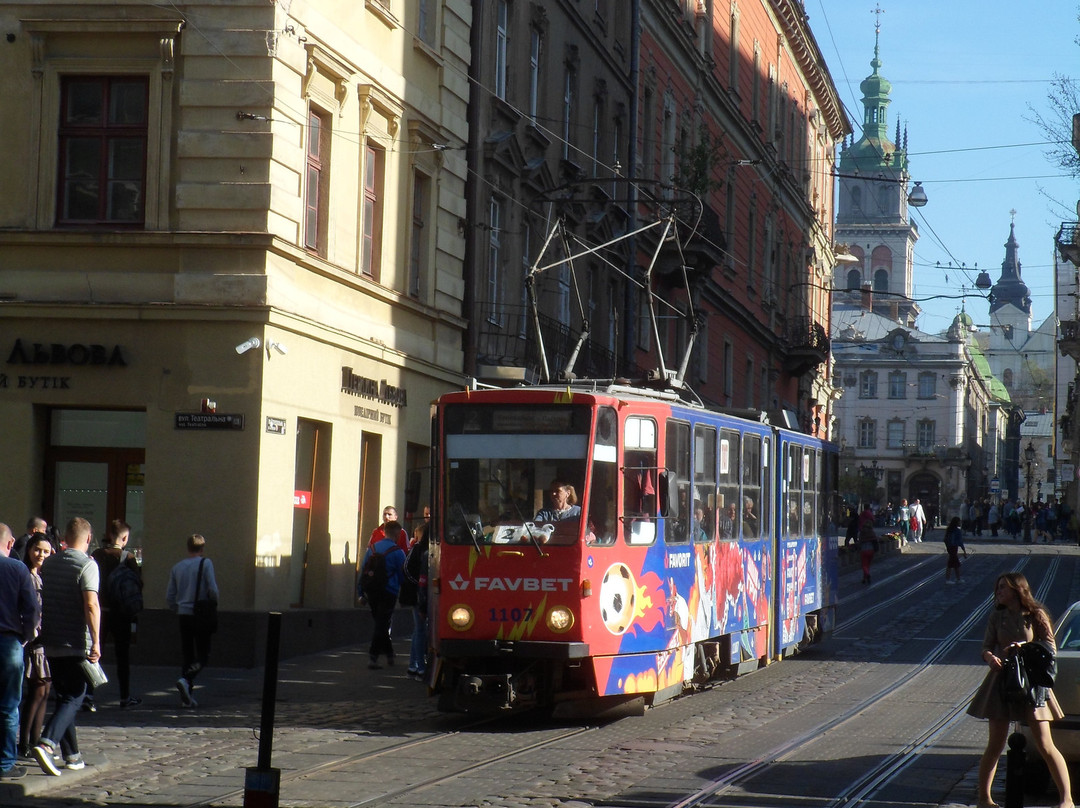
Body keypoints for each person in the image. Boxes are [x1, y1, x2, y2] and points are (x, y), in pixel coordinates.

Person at [967, 572, 1073, 808]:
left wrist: (1024, 646)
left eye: (1003, 587)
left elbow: (1050, 647)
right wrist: (990, 657)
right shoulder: (997, 616)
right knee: (995, 744)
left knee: (1045, 744)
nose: (999, 592)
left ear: (1018, 589)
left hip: (1031, 681)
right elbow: (985, 646)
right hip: (1003, 679)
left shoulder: (1036, 615)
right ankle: (984, 799)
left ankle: (1066, 799)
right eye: (998, 588)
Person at [32, 517, 100, 776]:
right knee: (76, 695)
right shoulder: (87, 565)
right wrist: (96, 640)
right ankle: (47, 743)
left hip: (52, 640)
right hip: (76, 641)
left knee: (64, 697)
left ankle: (73, 756)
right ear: (88, 538)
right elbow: (91, 605)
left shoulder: (49, 564)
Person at [0, 523, 39, 780]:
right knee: (8, 705)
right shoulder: (17, 569)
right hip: (8, 642)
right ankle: (4, 763)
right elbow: (32, 610)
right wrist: (25, 636)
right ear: (11, 543)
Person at [91, 519, 142, 708]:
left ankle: (88, 695)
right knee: (123, 656)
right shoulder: (128, 558)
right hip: (121, 613)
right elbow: (137, 584)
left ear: (110, 535)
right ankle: (124, 696)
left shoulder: (97, 554)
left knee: (95, 653)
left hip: (100, 611)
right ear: (125, 537)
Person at [166, 534, 219, 708]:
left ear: (188, 547)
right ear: (202, 548)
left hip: (183, 615)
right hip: (201, 614)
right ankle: (186, 679)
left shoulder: (177, 567)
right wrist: (212, 604)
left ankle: (186, 697)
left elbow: (170, 596)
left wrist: (178, 608)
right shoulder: (206, 563)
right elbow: (213, 589)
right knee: (203, 655)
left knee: (187, 655)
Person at [18, 533, 52, 761]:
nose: (41, 555)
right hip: (32, 640)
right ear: (29, 549)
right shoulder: (26, 575)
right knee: (38, 689)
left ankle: (34, 739)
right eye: (37, 550)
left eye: (46, 551)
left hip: (44, 639)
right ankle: (25, 743)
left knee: (45, 690)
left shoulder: (42, 576)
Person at [360, 521, 406, 669]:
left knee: (380, 623)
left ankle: (390, 654)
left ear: (384, 532)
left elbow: (363, 571)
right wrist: (404, 593)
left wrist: (360, 592)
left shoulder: (372, 549)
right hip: (389, 592)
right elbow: (402, 575)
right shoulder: (398, 552)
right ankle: (373, 657)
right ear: (398, 534)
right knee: (382, 623)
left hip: (372, 591)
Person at [404, 525, 430, 679]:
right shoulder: (419, 549)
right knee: (420, 630)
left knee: (418, 631)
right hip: (419, 596)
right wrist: (419, 584)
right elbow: (406, 568)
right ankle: (420, 666)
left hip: (423, 594)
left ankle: (413, 666)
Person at [943, 517, 968, 584]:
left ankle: (958, 578)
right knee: (952, 564)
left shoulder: (949, 529)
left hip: (950, 548)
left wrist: (948, 547)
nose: (960, 523)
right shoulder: (957, 531)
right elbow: (960, 541)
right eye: (959, 522)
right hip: (954, 548)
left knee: (955, 564)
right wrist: (964, 551)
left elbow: (945, 539)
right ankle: (949, 579)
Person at [858, 518, 878, 585]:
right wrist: (876, 549)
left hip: (864, 550)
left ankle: (867, 574)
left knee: (864, 565)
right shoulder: (872, 532)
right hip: (871, 550)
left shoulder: (862, 532)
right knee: (868, 565)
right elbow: (875, 541)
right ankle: (864, 578)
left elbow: (860, 541)